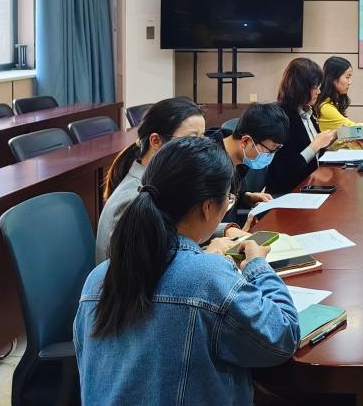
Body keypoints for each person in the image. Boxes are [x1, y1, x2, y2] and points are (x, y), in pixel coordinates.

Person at [75, 136, 299, 404]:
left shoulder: (97, 279)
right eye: (228, 199)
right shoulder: (208, 277)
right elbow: (283, 336)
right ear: (208, 207)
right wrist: (257, 267)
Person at [96, 97, 205, 262]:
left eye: (202, 137)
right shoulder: (132, 200)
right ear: (156, 141)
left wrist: (227, 230)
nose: (200, 148)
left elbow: (183, 227)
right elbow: (139, 268)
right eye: (191, 139)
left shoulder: (162, 180)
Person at [207, 102, 290, 237]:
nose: (270, 156)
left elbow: (227, 196)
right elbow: (196, 222)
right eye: (269, 150)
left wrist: (246, 197)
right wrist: (228, 230)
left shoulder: (238, 161)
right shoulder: (210, 165)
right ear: (245, 141)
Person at [267, 57, 338, 195]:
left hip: (312, 183)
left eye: (319, 87)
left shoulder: (307, 112)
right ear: (300, 88)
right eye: (315, 87)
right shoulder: (281, 118)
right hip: (291, 192)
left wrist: (326, 142)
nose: (318, 92)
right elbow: (285, 172)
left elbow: (315, 156)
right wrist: (315, 145)